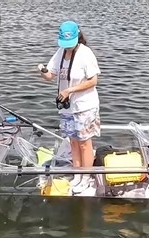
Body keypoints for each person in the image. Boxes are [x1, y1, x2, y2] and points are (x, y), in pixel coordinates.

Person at [38, 21, 101, 169]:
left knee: (84, 144)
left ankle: (86, 176)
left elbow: (93, 81)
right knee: (73, 141)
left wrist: (69, 90)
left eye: (69, 43)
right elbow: (51, 75)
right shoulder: (60, 52)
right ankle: (77, 174)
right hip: (67, 108)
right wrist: (42, 70)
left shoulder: (85, 53)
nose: (67, 46)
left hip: (84, 106)